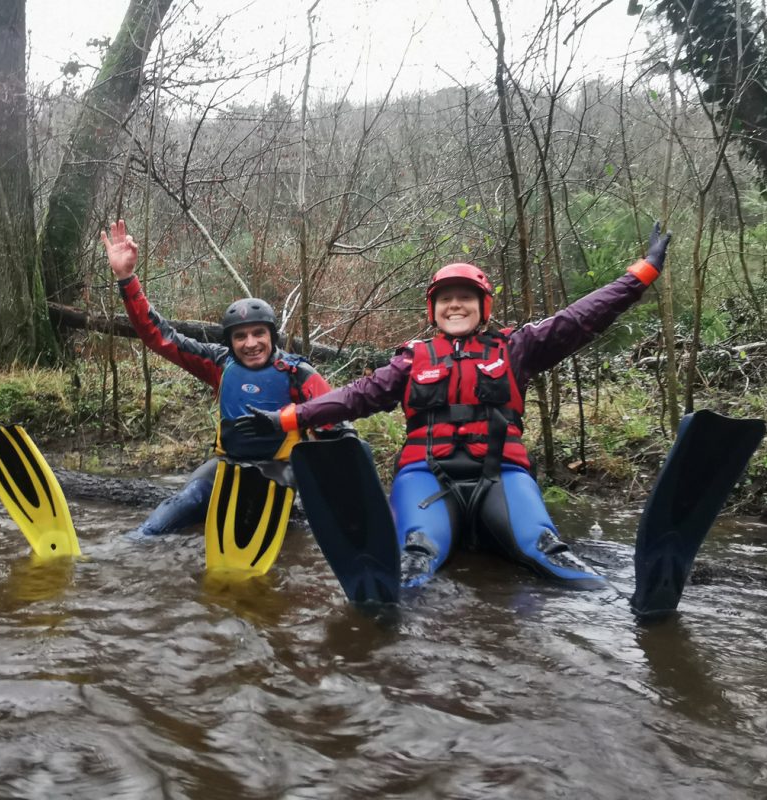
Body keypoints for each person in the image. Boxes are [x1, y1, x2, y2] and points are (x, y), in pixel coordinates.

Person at [234, 223, 672, 588]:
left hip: (502, 475)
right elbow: (355, 396)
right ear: (434, 308)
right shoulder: (411, 360)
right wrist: (287, 417)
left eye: (465, 297)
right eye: (446, 298)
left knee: (547, 549)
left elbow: (581, 318)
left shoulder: (517, 348)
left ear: (484, 307)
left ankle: (626, 606)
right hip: (426, 475)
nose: (455, 304)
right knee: (416, 557)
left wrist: (643, 274)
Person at [100, 219, 337, 537]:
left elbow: (334, 425)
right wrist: (126, 278)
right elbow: (159, 336)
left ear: (272, 336)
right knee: (163, 520)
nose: (250, 343)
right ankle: (128, 546)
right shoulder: (219, 363)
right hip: (226, 465)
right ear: (230, 341)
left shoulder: (298, 374)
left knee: (257, 530)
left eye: (258, 334)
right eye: (240, 336)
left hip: (281, 472)